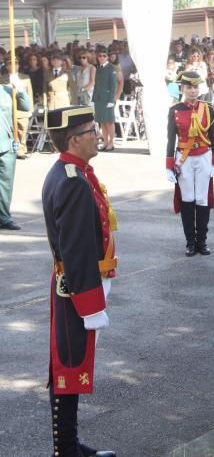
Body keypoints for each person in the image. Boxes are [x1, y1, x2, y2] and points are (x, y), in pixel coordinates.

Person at [42, 105, 118, 457]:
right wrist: (90, 304)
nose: (97, 134)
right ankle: (66, 450)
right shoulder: (72, 182)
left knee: (70, 366)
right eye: (90, 130)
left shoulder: (75, 173)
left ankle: (68, 445)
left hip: (76, 284)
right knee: (69, 369)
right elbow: (76, 249)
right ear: (74, 139)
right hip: (76, 289)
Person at [165, 72, 214, 257]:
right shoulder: (175, 109)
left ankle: (202, 242)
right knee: (187, 199)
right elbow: (170, 139)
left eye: (196, 87)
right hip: (184, 158)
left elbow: (213, 136)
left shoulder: (208, 108)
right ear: (183, 89)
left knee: (202, 199)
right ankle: (190, 242)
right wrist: (168, 165)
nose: (193, 91)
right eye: (189, 87)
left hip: (204, 155)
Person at [0, 74, 31, 229]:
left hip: (5, 143)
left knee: (5, 185)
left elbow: (26, 106)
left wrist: (18, 87)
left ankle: (4, 217)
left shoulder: (6, 91)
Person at [92, 49, 121, 153]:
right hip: (99, 99)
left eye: (104, 56)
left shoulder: (111, 68)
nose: (102, 58)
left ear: (107, 57)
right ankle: (105, 142)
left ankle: (111, 143)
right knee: (102, 122)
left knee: (109, 121)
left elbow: (114, 85)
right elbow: (96, 84)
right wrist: (94, 98)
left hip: (108, 98)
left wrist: (111, 100)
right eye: (100, 56)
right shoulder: (98, 68)